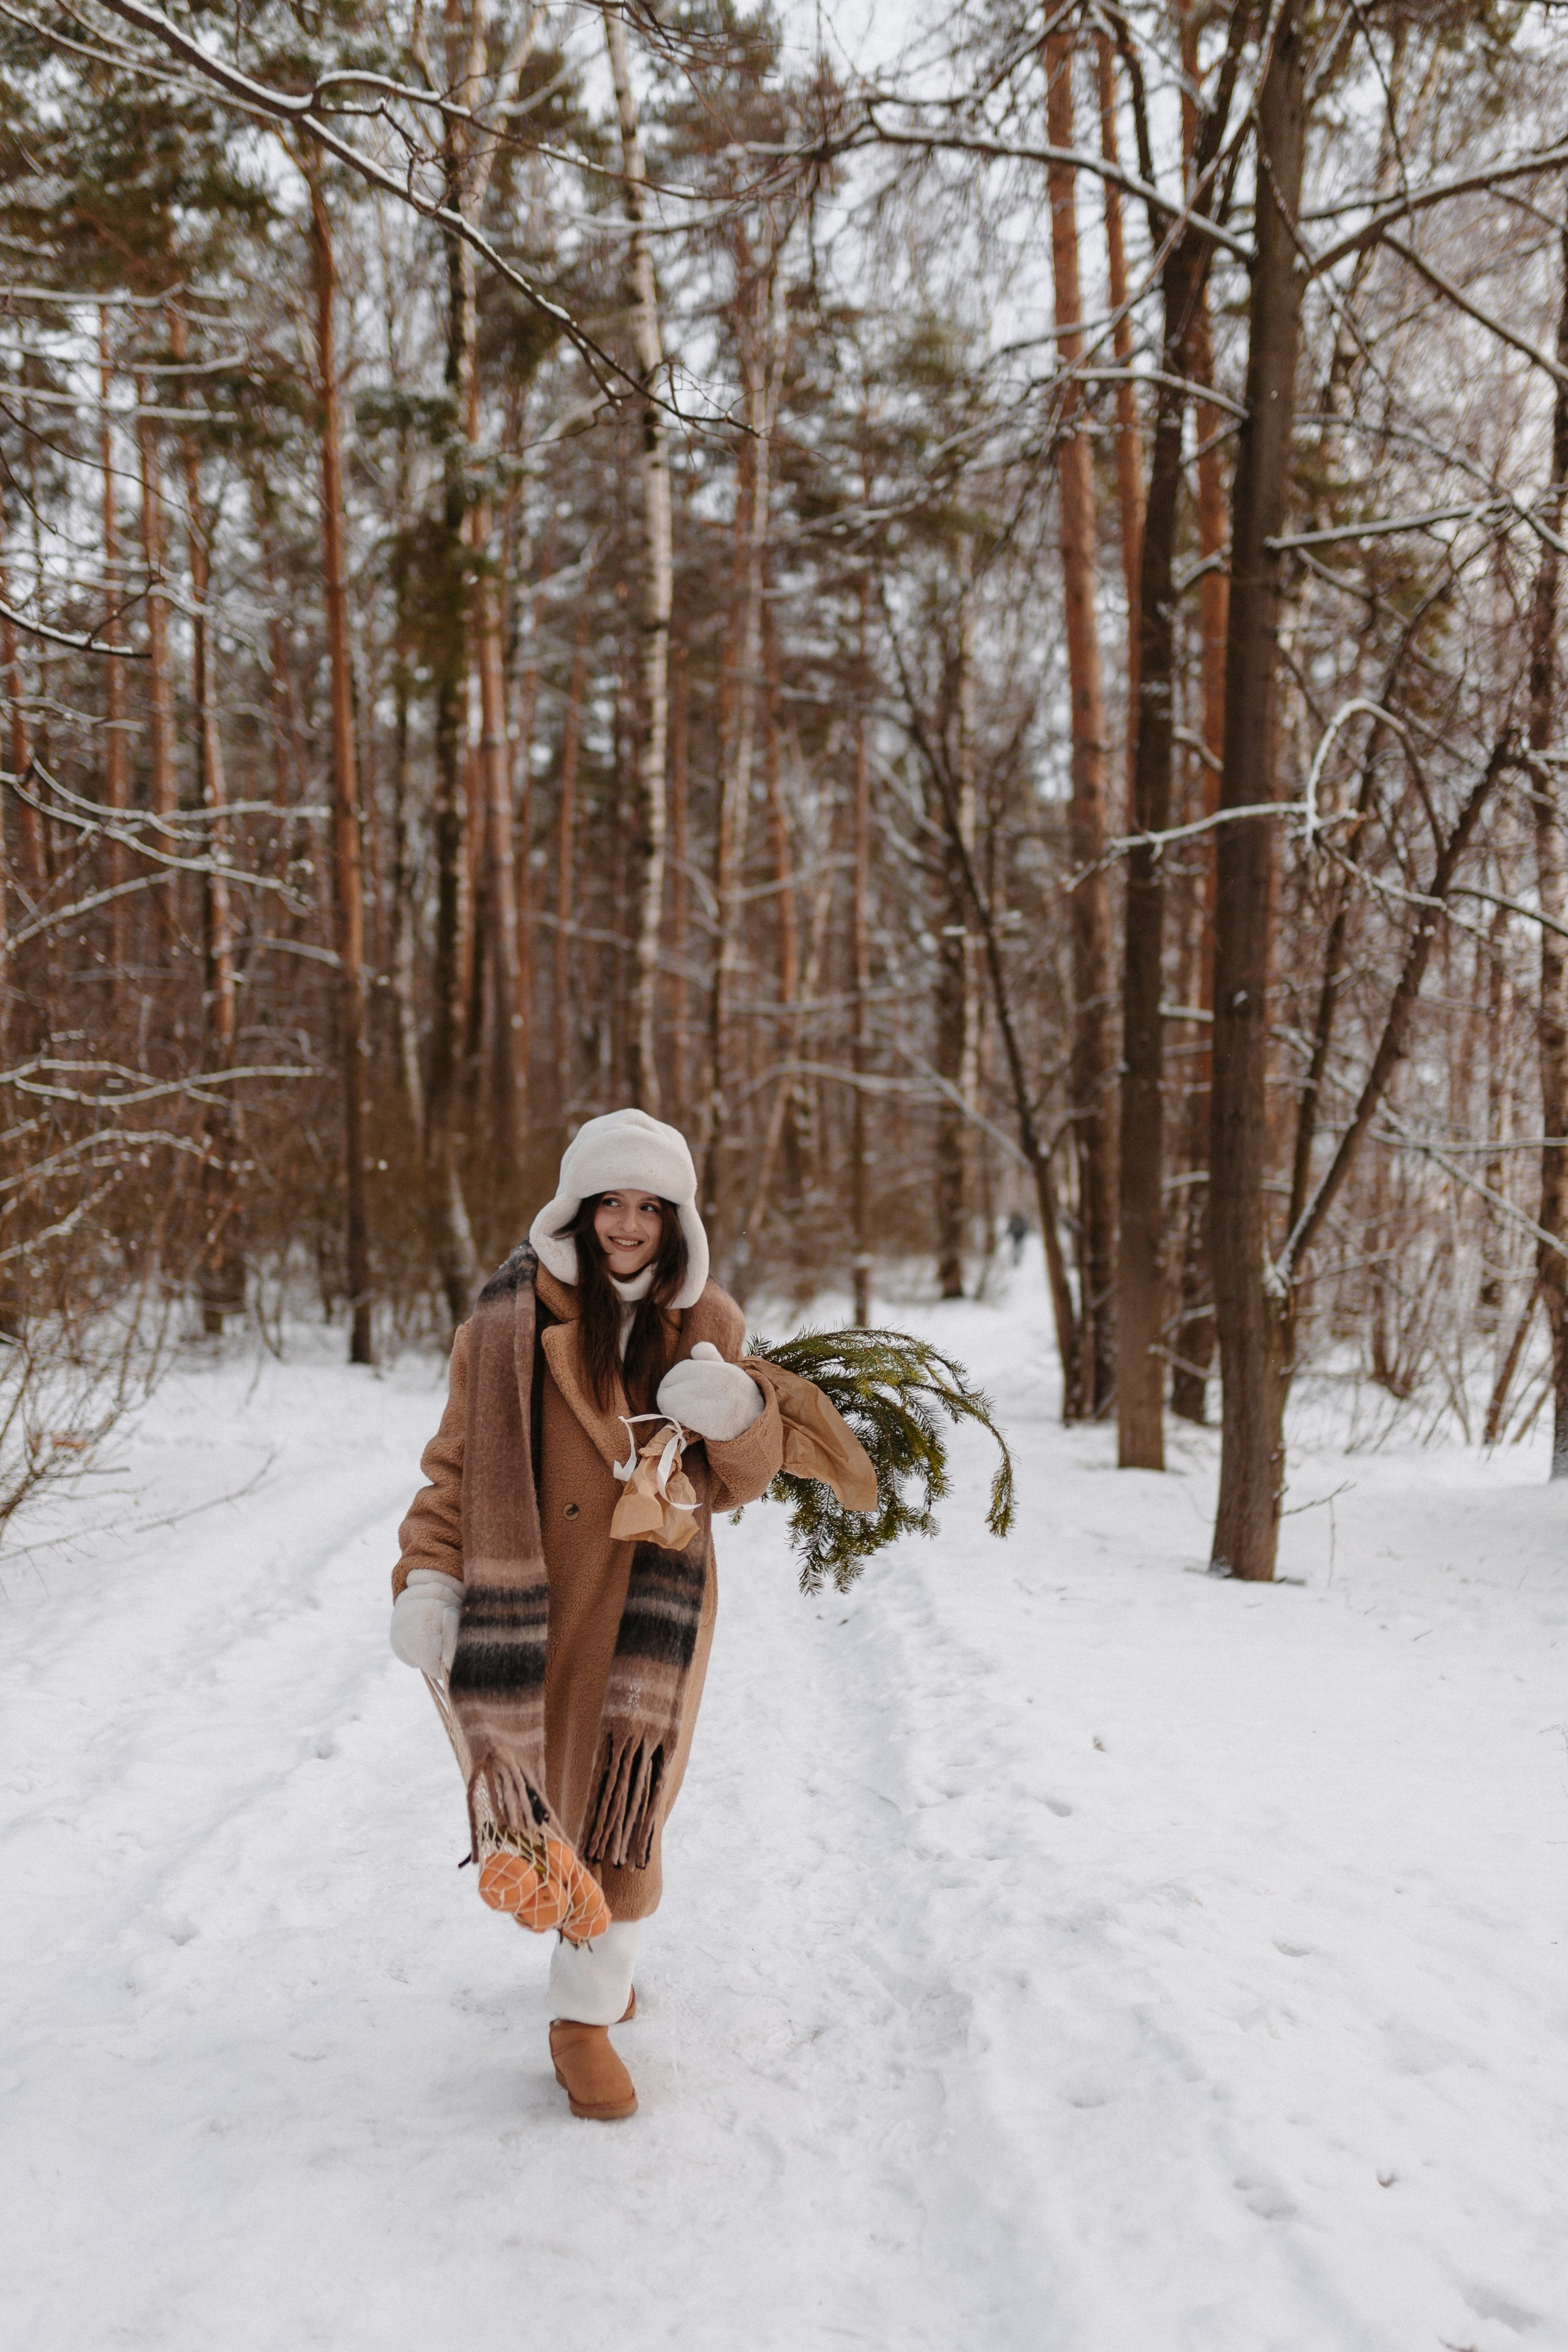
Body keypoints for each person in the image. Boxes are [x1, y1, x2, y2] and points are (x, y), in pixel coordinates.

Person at [388, 1109, 783, 2122]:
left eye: (649, 1207)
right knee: (557, 1797)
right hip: (541, 1596)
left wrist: (738, 1416)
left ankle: (582, 2017)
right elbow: (454, 1471)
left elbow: (745, 1481)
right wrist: (429, 1578)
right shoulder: (502, 1329)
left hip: (655, 1603)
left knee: (628, 1803)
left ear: (676, 1220)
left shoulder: (711, 1329)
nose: (627, 1225)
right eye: (610, 1202)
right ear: (578, 1210)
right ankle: (595, 1945)